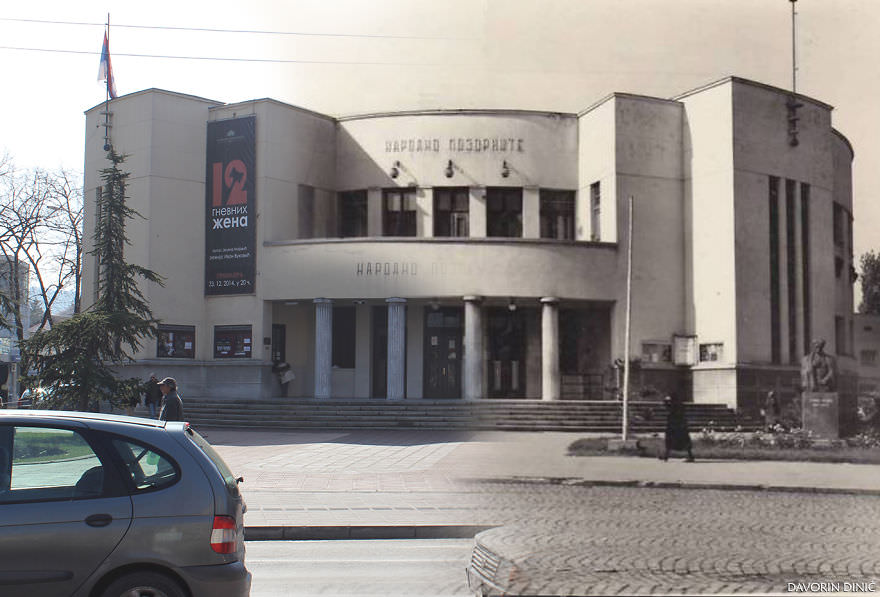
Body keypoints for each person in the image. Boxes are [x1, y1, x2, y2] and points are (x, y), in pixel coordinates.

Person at [660, 394, 694, 462]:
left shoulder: (675, 408)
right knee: (672, 441)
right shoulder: (677, 407)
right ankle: (666, 456)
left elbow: (668, 408)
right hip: (676, 426)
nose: (668, 402)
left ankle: (666, 456)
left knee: (676, 441)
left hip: (676, 426)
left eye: (669, 401)